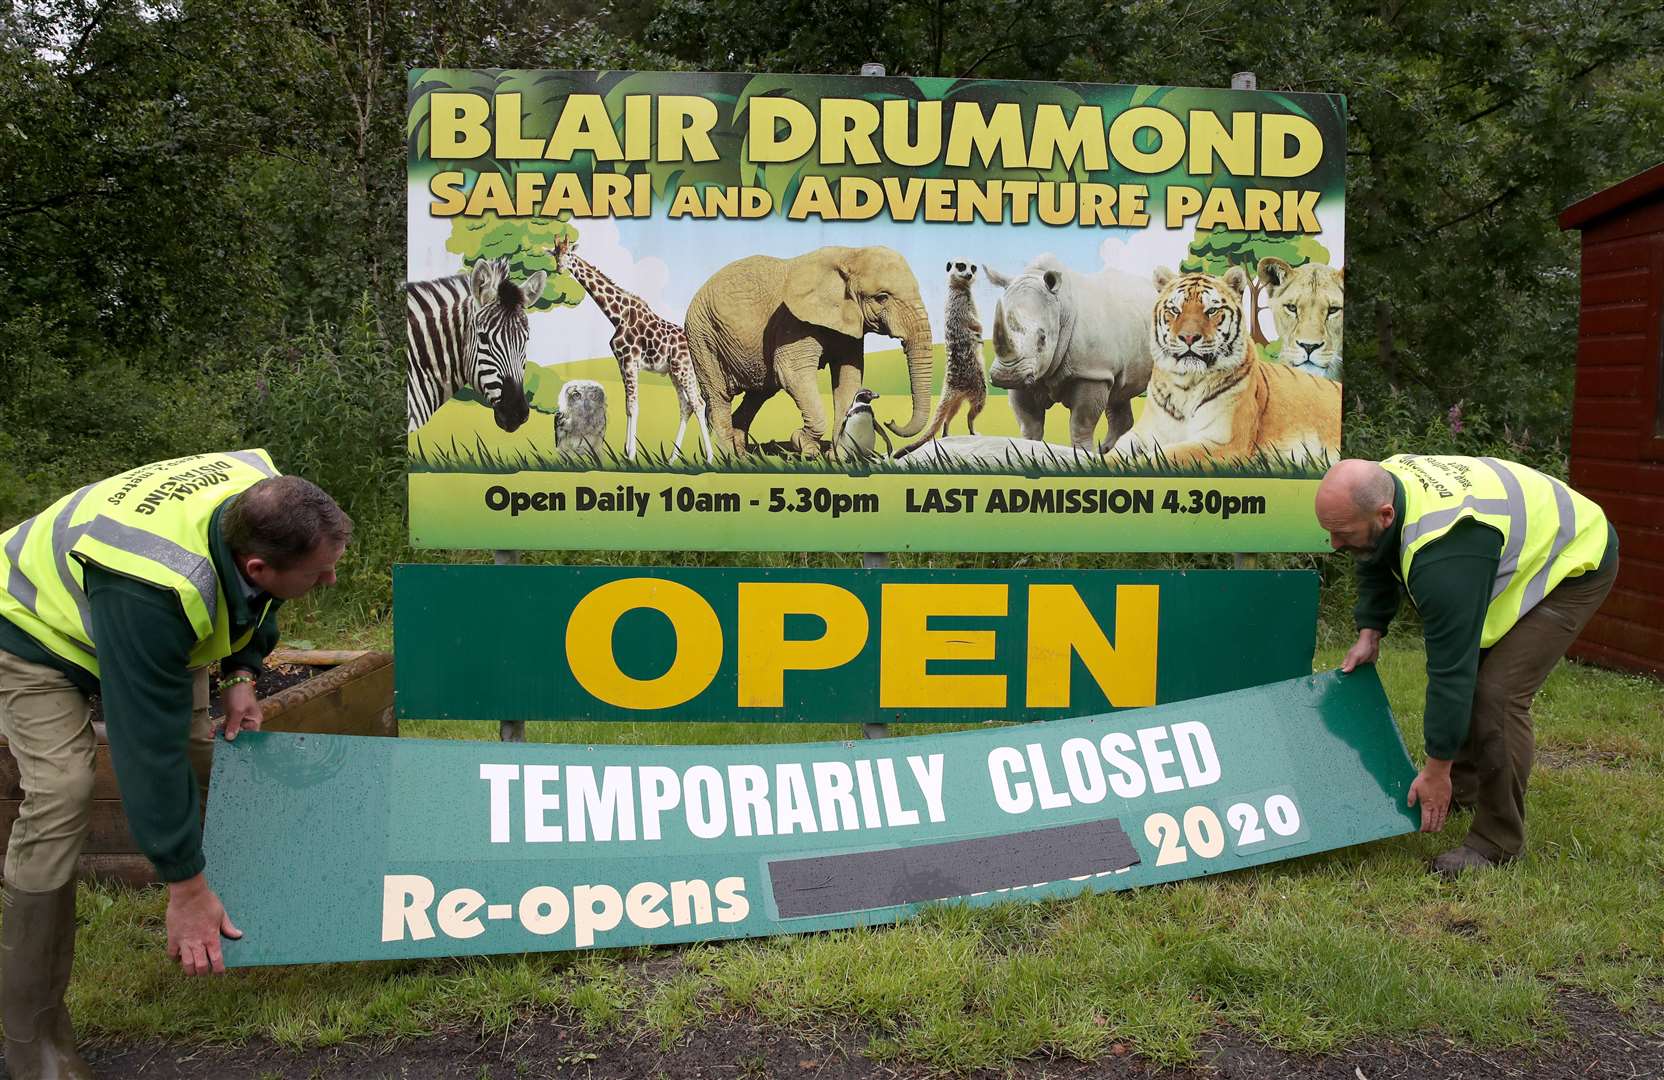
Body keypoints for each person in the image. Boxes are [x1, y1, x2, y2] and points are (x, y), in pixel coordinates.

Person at [0, 450, 351, 1079]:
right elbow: (144, 747)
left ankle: (264, 911)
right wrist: (182, 887)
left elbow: (258, 602)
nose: (331, 583)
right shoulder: (156, 591)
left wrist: (243, 670)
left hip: (140, 602)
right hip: (29, 629)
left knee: (200, 755)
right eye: (320, 574)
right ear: (258, 563)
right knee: (64, 792)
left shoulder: (263, 497)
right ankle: (32, 1040)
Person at [1314, 455, 1617, 879]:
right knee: (1478, 683)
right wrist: (1371, 629)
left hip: (1574, 559)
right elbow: (1374, 556)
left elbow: (1450, 671)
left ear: (1385, 514)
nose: (1334, 546)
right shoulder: (1385, 486)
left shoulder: (1444, 554)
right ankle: (1468, 789)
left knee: (1497, 695)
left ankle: (1497, 842)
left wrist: (1437, 769)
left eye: (1341, 534)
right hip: (1499, 547)